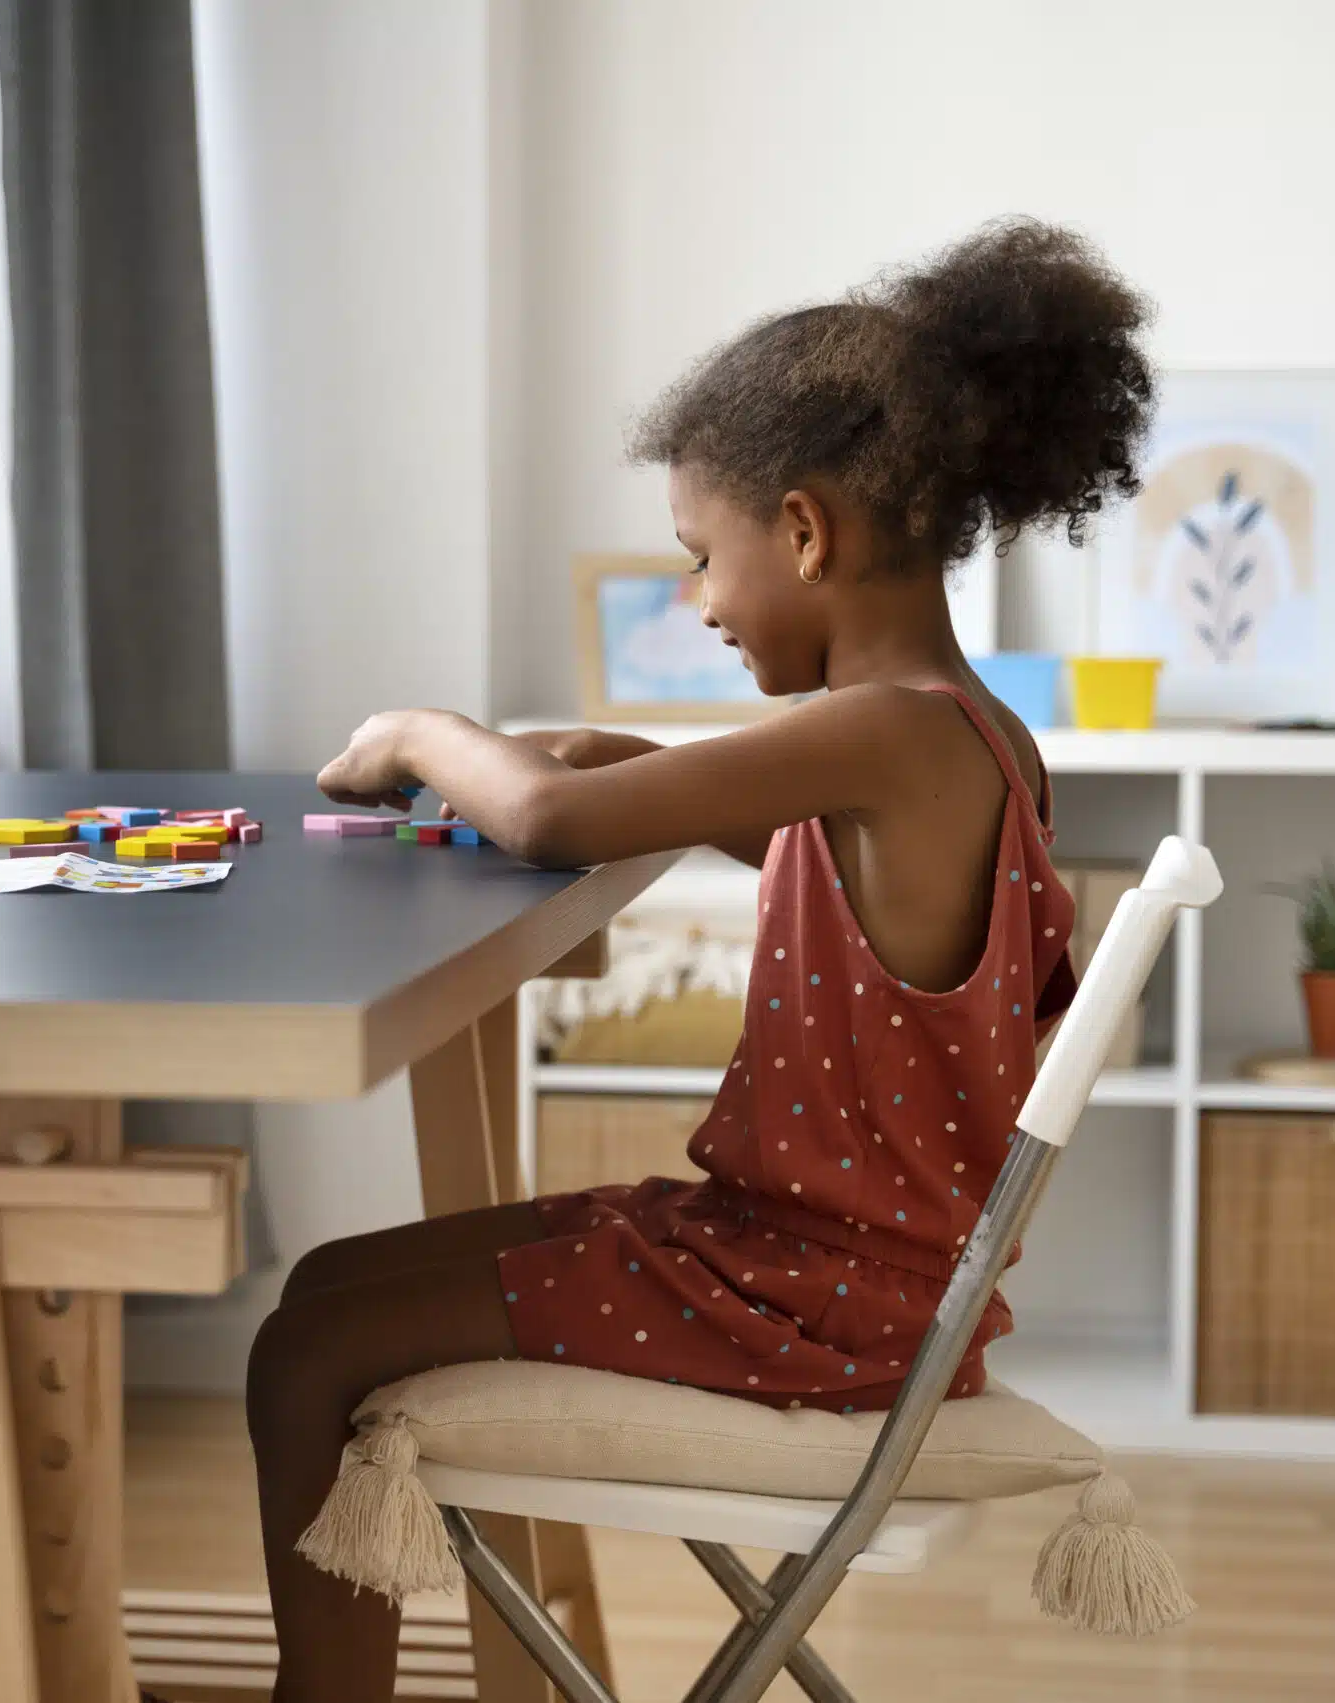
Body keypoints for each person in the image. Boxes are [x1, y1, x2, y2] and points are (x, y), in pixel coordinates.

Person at [247, 218, 1154, 1703]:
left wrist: (419, 731)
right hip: (812, 1269)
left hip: (801, 1295)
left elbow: (546, 822)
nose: (703, 605)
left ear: (804, 533)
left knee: (303, 1357)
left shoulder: (884, 731)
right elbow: (815, 873)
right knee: (327, 1285)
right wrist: (627, 758)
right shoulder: (958, 732)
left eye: (700, 559)